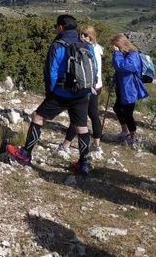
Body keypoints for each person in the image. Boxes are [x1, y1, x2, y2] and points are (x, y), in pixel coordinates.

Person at [7, 14, 96, 175]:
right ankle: (84, 164)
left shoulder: (58, 45)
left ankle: (26, 153)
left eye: (57, 26)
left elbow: (51, 72)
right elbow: (93, 69)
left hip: (61, 93)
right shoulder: (86, 45)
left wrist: (51, 93)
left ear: (61, 27)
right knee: (81, 127)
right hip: (82, 93)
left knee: (37, 117)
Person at [58, 25, 104, 156]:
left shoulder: (86, 48)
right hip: (96, 86)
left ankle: (66, 144)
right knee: (93, 115)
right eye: (80, 34)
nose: (81, 37)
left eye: (84, 35)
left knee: (78, 117)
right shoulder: (98, 48)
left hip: (86, 86)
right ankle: (97, 145)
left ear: (90, 36)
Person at [107, 34, 148, 145]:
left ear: (120, 44)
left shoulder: (133, 54)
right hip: (122, 86)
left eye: (115, 46)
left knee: (127, 112)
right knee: (117, 108)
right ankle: (125, 131)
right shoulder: (125, 53)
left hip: (130, 88)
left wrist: (117, 53)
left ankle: (133, 136)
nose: (114, 48)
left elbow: (124, 67)